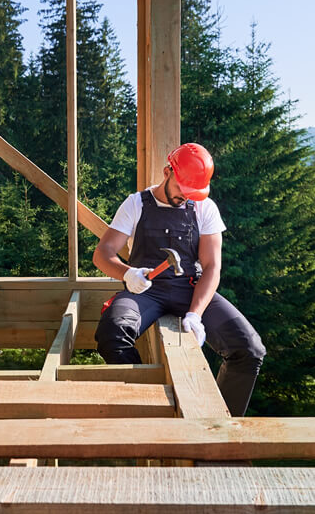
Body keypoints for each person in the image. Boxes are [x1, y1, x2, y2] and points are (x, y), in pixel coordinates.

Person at [92, 142, 265, 416]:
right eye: (182, 190)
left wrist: (195, 314)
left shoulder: (204, 208)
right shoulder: (136, 204)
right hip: (145, 292)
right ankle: (147, 413)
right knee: (112, 334)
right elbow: (103, 254)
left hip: (190, 290)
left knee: (249, 349)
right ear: (166, 172)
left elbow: (211, 267)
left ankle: (220, 431)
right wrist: (127, 273)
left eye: (192, 193)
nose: (185, 197)